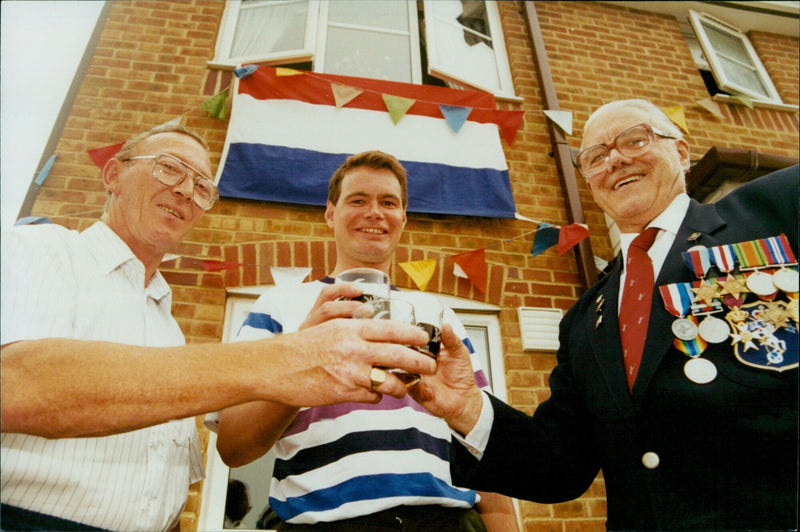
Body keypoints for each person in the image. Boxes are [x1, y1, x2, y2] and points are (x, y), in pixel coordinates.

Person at [0, 125, 436, 532]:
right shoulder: (43, 250)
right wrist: (291, 357)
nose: (186, 190)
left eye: (202, 186)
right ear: (113, 174)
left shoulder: (166, 325)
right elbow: (15, 382)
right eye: (169, 167)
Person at [411, 100, 799, 530]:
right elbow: (561, 466)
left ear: (683, 152)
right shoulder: (582, 321)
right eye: (595, 157)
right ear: (590, 182)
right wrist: (467, 408)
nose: (615, 159)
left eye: (636, 139)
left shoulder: (776, 210)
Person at [214, 151, 519, 531]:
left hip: (448, 521)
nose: (374, 212)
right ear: (330, 213)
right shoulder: (279, 305)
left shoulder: (438, 313)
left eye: (388, 202)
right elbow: (233, 447)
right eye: (358, 200)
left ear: (403, 218)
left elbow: (481, 439)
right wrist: (299, 365)